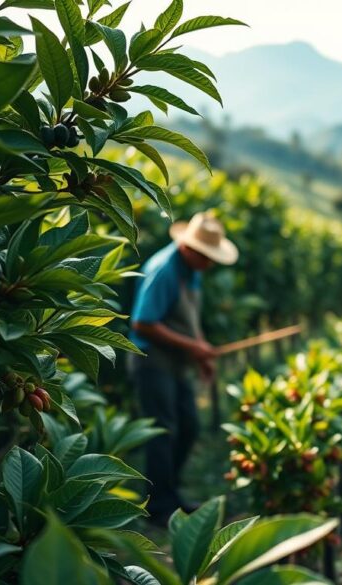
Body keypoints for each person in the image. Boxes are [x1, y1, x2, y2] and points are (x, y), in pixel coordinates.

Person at [128, 211, 239, 526]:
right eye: (207, 256)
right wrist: (194, 348)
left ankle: (169, 493)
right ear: (189, 248)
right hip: (151, 361)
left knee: (188, 426)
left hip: (175, 362)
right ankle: (157, 506)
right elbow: (143, 322)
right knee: (163, 432)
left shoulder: (193, 270)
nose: (210, 263)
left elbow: (189, 319)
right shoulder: (164, 270)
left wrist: (201, 352)